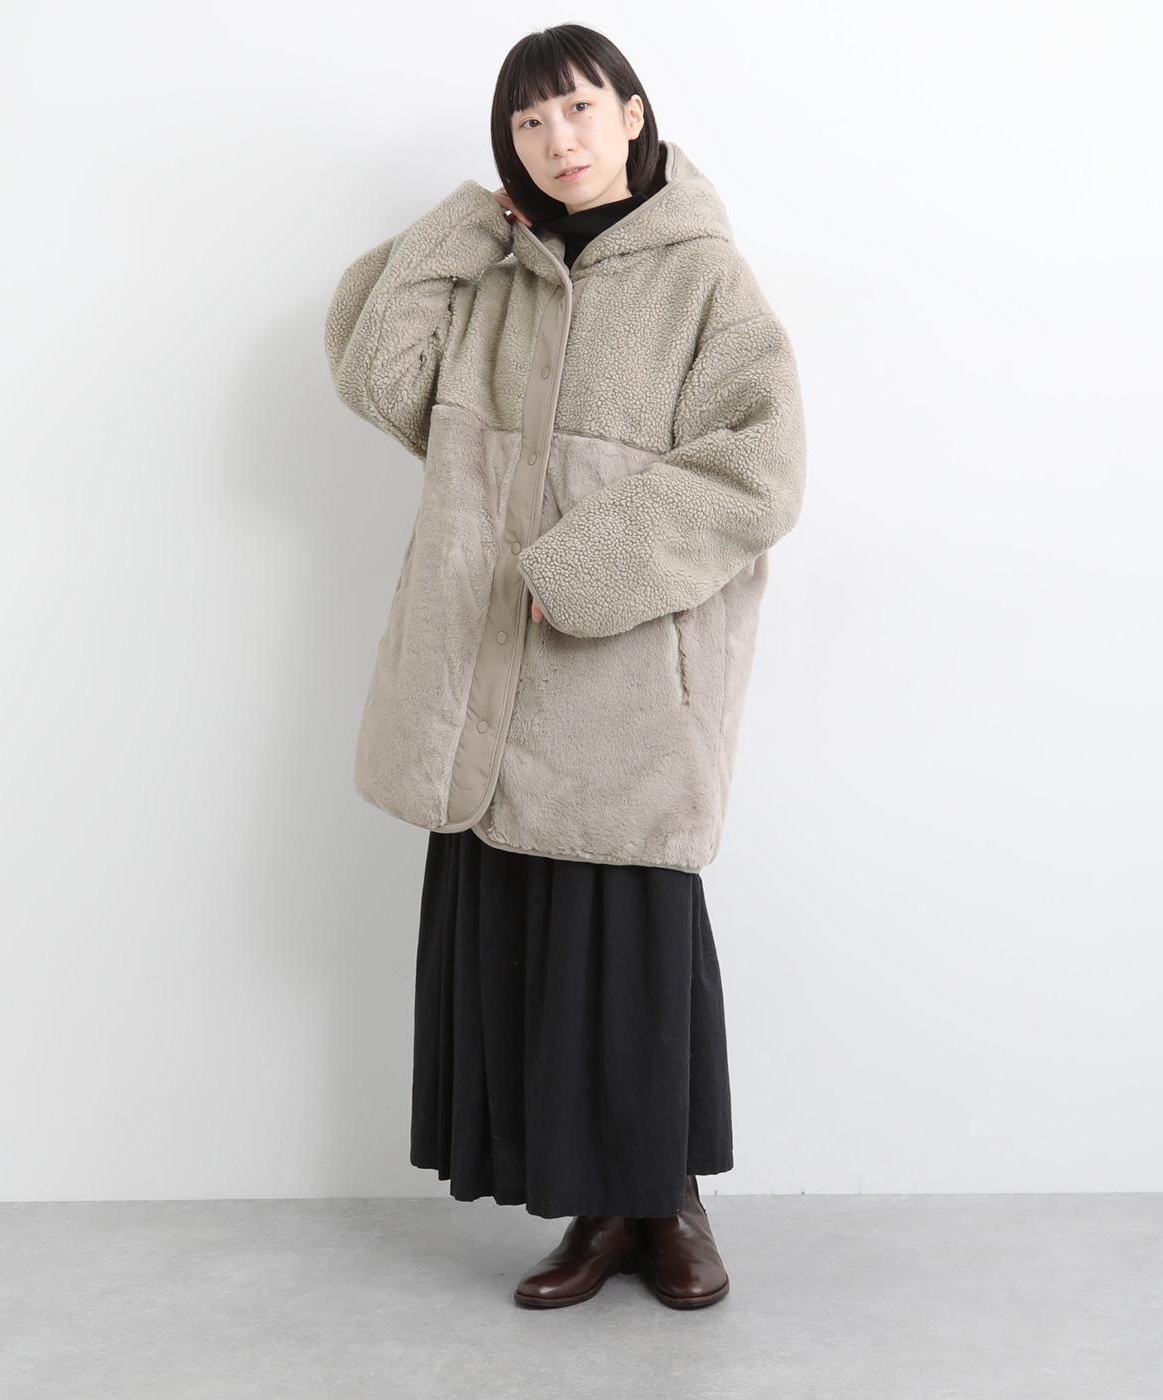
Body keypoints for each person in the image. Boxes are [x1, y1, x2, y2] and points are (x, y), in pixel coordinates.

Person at [324, 24, 806, 1311]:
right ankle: (597, 1213)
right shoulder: (501, 276)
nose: (558, 139)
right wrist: (461, 227)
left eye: (580, 109)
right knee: (528, 942)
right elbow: (377, 371)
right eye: (529, 124)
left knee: (630, 947)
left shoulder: (703, 276)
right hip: (482, 675)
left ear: (633, 113)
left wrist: (588, 566)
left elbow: (761, 467)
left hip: (623, 676)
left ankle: (671, 1204)